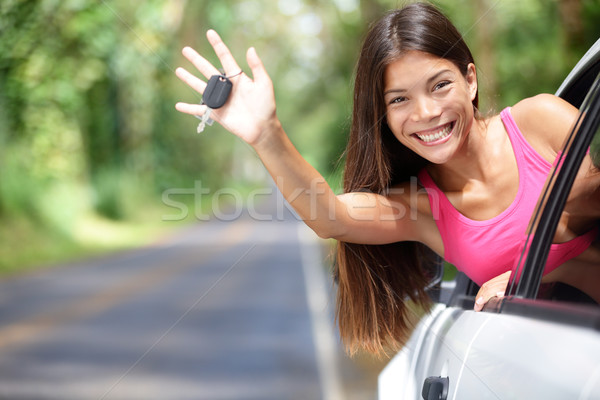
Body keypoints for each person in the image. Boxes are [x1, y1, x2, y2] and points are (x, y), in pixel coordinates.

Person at [175, 2, 599, 355]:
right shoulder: (420, 207)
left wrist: (529, 266)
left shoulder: (538, 122)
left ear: (470, 80)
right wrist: (267, 135)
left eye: (439, 85)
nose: (426, 113)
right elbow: (332, 217)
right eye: (399, 100)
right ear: (384, 115)